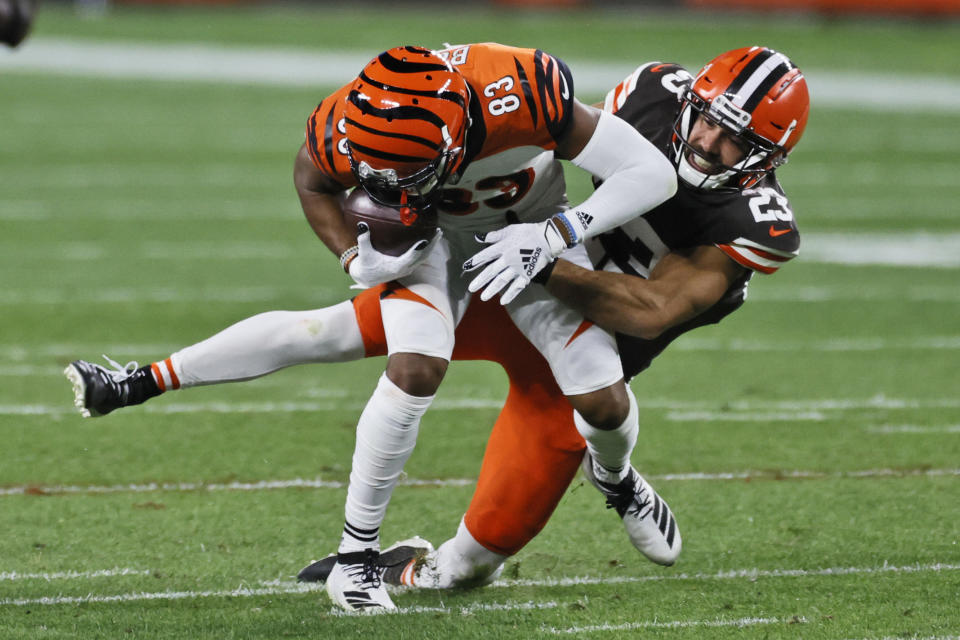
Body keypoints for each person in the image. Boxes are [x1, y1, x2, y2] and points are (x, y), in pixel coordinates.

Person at [67, 44, 807, 602]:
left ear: (767, 159)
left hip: (584, 296)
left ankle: (610, 477)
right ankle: (151, 383)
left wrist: (548, 246)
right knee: (350, 334)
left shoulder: (754, 223)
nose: (705, 142)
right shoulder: (651, 93)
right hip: (500, 259)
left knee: (497, 536)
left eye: (731, 140)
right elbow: (317, 171)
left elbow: (649, 307)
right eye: (705, 121)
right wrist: (366, 254)